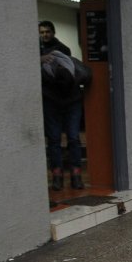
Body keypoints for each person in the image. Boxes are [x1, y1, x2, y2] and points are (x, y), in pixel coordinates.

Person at [40, 49, 90, 190]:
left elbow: (89, 77)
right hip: (51, 101)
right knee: (54, 138)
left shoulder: (80, 71)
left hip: (73, 101)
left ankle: (76, 175)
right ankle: (57, 175)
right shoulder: (44, 71)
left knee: (73, 137)